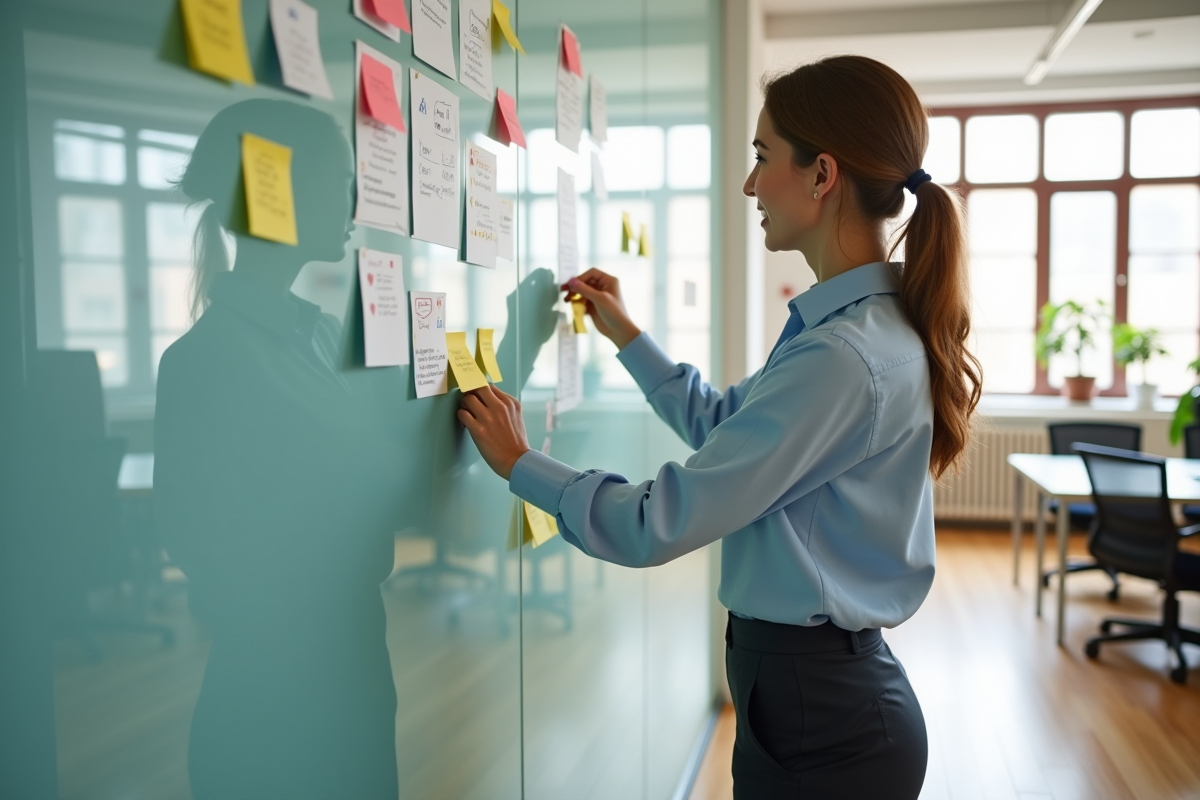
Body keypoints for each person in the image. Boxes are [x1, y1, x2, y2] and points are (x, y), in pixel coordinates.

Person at [455, 55, 981, 799]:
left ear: (822, 174)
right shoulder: (858, 330)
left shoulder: (843, 354)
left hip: (826, 722)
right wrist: (629, 338)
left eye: (763, 158)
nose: (749, 184)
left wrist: (522, 464)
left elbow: (655, 523)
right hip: (815, 702)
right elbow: (727, 426)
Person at [154, 98, 558, 799]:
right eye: (337, 177)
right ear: (271, 191)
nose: (354, 196)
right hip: (274, 692)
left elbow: (412, 453)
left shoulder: (313, 338)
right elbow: (199, 536)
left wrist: (516, 344)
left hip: (348, 662)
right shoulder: (209, 360)